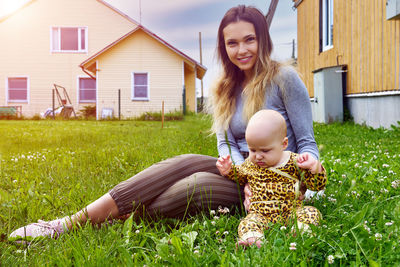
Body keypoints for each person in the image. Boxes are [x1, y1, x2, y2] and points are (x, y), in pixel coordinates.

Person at [9, 5, 321, 243]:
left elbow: (307, 143)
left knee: (196, 186)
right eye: (232, 43)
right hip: (241, 174)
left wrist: (303, 173)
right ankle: (69, 223)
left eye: (249, 40)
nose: (242, 50)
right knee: (183, 162)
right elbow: (225, 143)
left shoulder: (283, 79)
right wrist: (242, 175)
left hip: (276, 187)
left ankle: (118, 216)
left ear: (262, 40)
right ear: (224, 47)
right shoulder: (224, 86)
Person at [216, 110, 327, 248]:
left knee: (311, 212)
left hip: (290, 211)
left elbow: (317, 186)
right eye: (253, 150)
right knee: (248, 222)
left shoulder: (294, 162)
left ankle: (300, 231)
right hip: (260, 213)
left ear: (284, 144)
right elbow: (239, 174)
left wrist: (315, 168)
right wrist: (228, 170)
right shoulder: (251, 164)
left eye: (265, 150)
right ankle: (254, 240)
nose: (258, 156)